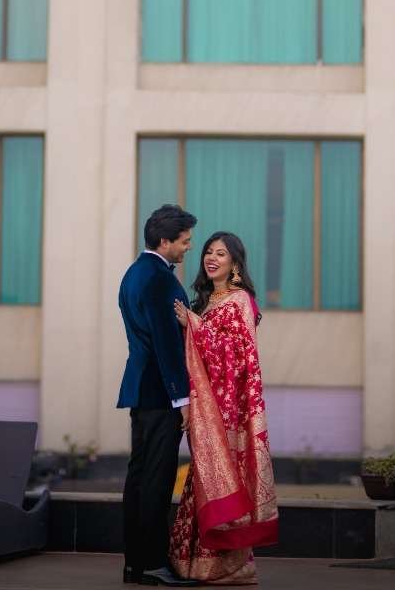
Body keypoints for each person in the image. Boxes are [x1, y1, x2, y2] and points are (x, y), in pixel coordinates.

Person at [169, 232, 278, 586]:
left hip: (226, 410)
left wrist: (194, 325)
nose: (212, 258)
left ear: (235, 263)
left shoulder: (240, 299)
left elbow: (240, 356)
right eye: (208, 252)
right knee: (202, 478)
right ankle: (193, 564)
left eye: (221, 253)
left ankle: (231, 566)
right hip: (204, 405)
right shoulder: (206, 302)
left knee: (222, 479)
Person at [118, 204, 199, 587]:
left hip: (142, 390)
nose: (189, 247)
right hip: (161, 394)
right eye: (184, 241)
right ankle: (151, 563)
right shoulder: (160, 279)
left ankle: (136, 564)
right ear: (165, 241)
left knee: (139, 478)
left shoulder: (134, 273)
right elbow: (167, 344)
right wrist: (181, 399)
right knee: (156, 480)